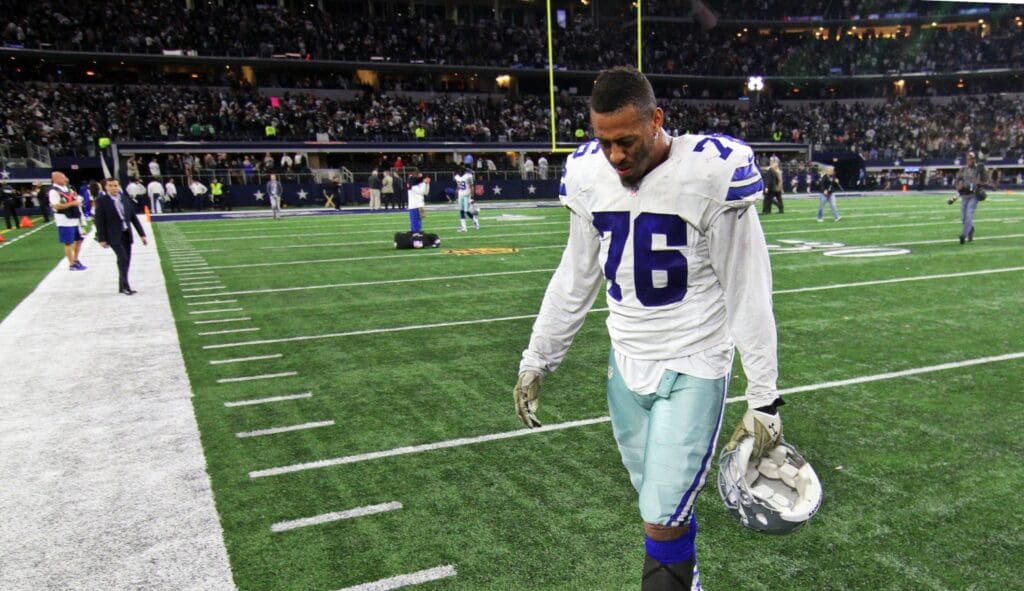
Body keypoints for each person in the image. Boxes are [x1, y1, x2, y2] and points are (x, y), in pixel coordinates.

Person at [513, 66, 785, 591]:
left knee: (660, 517)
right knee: (660, 506)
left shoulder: (709, 173)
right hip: (625, 363)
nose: (616, 156)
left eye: (628, 141)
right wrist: (537, 358)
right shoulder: (590, 174)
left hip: (694, 361)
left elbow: (748, 289)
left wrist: (765, 397)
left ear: (658, 119)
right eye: (605, 142)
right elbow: (575, 277)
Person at [93, 178, 147, 295]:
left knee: (126, 260)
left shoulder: (123, 198)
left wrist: (142, 234)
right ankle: (125, 286)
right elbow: (99, 221)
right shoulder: (102, 201)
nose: (114, 188)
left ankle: (122, 285)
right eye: (111, 185)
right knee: (122, 258)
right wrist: (102, 238)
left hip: (126, 233)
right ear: (106, 187)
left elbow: (133, 217)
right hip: (113, 235)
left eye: (116, 185)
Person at [48, 171, 87, 271]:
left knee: (79, 239)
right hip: (64, 220)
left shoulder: (67, 188)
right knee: (69, 242)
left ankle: (76, 259)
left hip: (74, 217)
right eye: (63, 177)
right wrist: (72, 204)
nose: (65, 179)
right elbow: (56, 205)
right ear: (56, 179)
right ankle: (71, 264)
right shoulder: (53, 191)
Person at [949, 151, 990, 244]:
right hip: (964, 195)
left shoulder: (980, 169)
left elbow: (987, 181)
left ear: (974, 159)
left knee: (969, 214)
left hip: (974, 195)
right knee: (964, 217)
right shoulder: (963, 169)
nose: (969, 160)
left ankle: (964, 235)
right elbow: (957, 180)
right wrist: (958, 186)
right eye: (968, 159)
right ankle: (971, 230)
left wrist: (979, 183)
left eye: (971, 158)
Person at [454, 165, 479, 232]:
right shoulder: (457, 176)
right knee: (466, 211)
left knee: (462, 211)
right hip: (460, 195)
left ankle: (464, 228)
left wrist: (472, 196)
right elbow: (458, 185)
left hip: (466, 195)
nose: (458, 172)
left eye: (459, 170)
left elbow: (471, 186)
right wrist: (456, 192)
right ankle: (475, 220)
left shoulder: (468, 176)